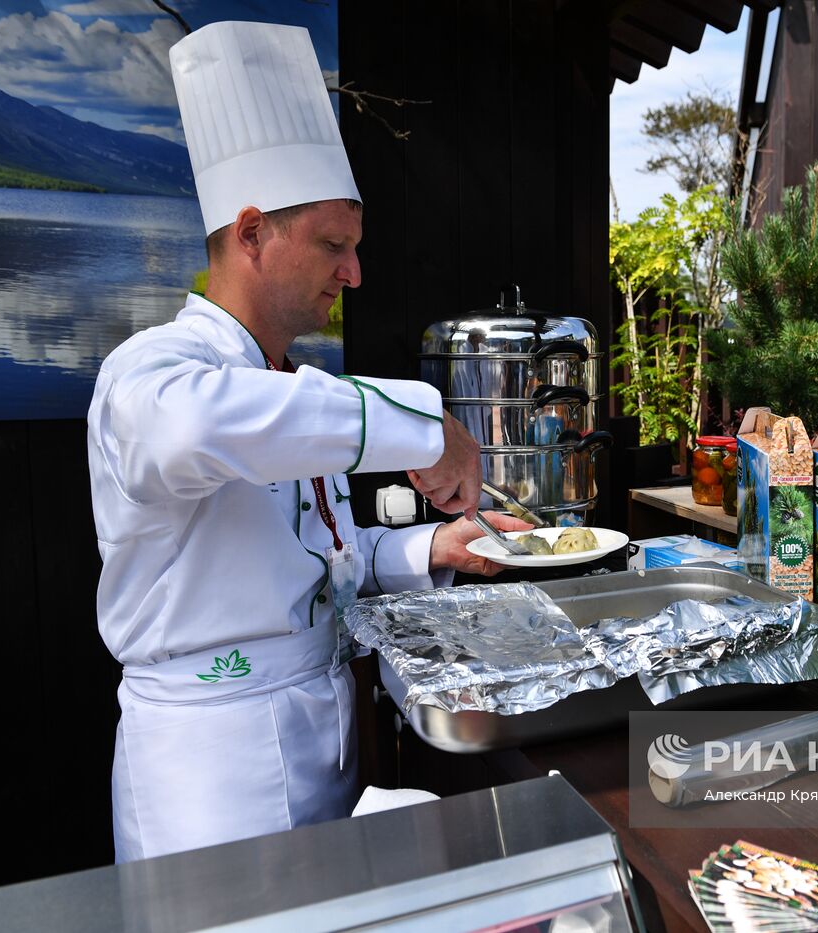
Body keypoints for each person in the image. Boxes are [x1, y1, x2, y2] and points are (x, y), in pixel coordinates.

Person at [87, 21, 527, 863]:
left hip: (324, 741)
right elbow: (197, 424)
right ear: (251, 233)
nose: (354, 274)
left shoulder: (289, 384)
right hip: (207, 777)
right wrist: (423, 426)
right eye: (335, 245)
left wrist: (432, 546)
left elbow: (316, 558)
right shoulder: (151, 375)